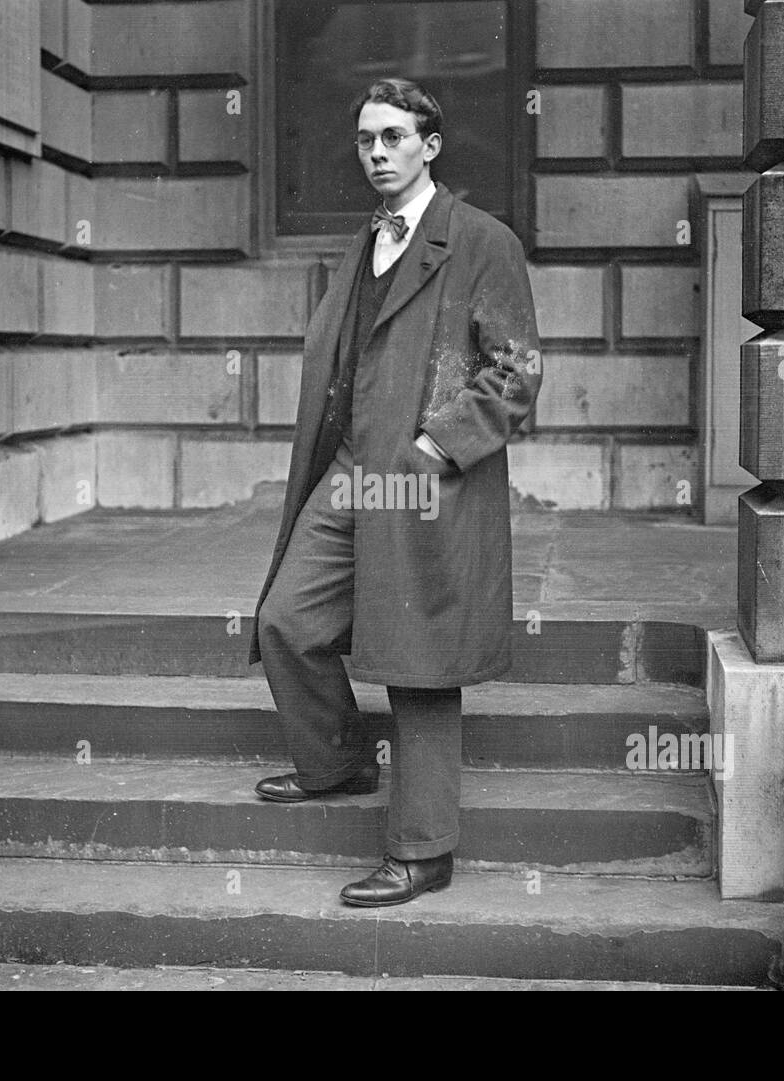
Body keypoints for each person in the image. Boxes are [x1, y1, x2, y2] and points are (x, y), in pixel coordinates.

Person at [247, 77, 541, 906]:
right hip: (349, 470)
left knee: (419, 661)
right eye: (367, 140)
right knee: (286, 617)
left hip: (421, 481)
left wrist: (432, 447)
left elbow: (517, 371)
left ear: (430, 146)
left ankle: (424, 851)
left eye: (394, 138)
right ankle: (337, 760)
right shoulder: (365, 241)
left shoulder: (481, 241)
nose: (377, 153)